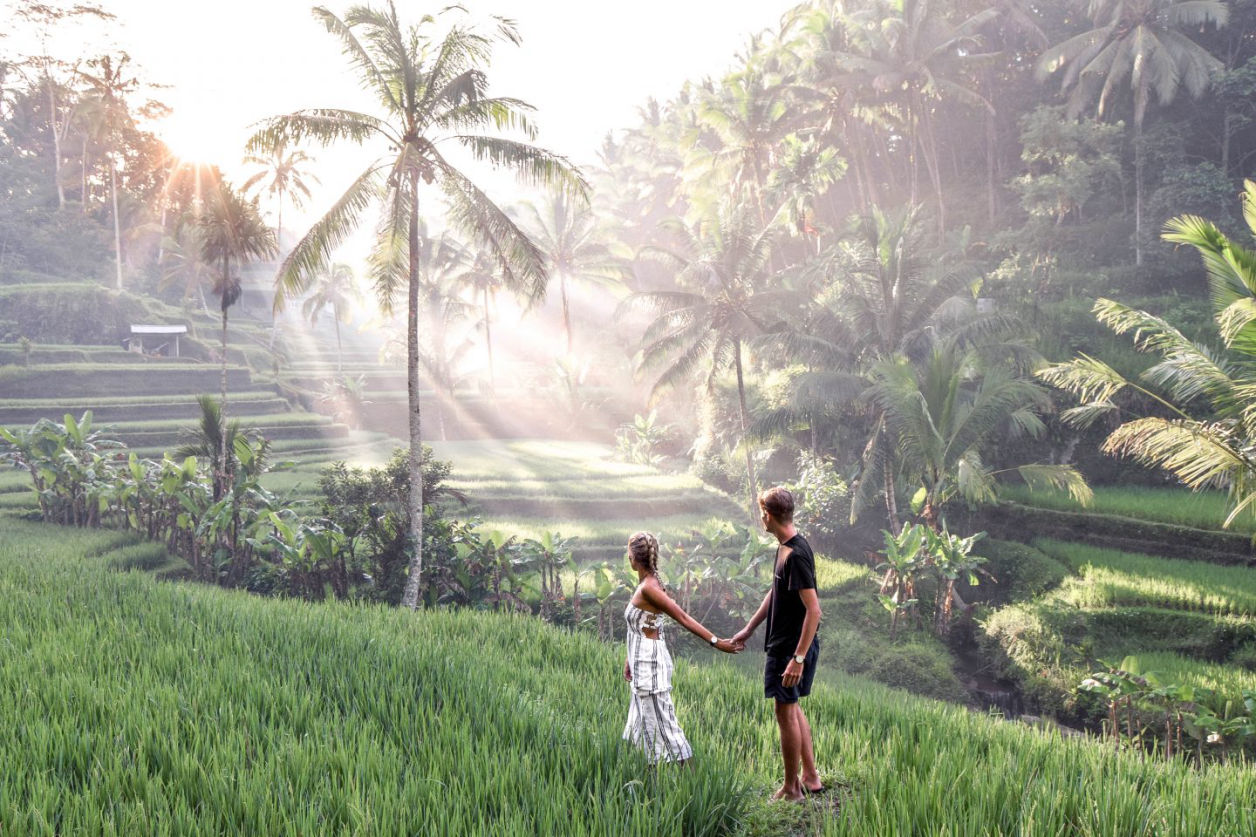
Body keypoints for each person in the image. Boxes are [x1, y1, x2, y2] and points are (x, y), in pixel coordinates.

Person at [730, 487, 823, 801]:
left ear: (768, 515)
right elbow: (776, 592)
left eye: (762, 513)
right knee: (792, 708)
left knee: (784, 714)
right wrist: (749, 628)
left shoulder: (795, 554)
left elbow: (814, 610)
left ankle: (790, 788)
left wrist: (797, 658)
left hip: (789, 648)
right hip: (786, 645)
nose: (761, 519)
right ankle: (810, 777)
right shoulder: (786, 547)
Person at [622, 531, 740, 764]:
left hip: (649, 668)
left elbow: (683, 617)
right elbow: (648, 624)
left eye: (629, 554)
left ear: (635, 558)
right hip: (641, 664)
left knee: (664, 727)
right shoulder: (648, 582)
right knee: (643, 725)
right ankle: (653, 778)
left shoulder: (649, 587)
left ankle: (689, 780)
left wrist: (717, 642)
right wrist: (628, 659)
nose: (628, 559)